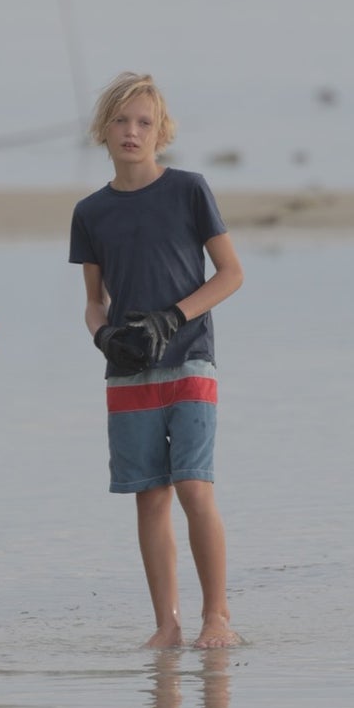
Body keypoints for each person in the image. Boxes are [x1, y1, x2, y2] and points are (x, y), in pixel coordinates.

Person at [70, 71, 243, 650]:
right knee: (150, 497)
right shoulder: (91, 212)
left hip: (191, 360)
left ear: (161, 131)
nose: (132, 131)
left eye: (144, 122)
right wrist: (104, 338)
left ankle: (216, 616)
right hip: (129, 374)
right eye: (121, 120)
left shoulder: (189, 189)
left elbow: (231, 274)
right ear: (103, 129)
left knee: (195, 487)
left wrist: (173, 316)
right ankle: (166, 624)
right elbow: (94, 305)